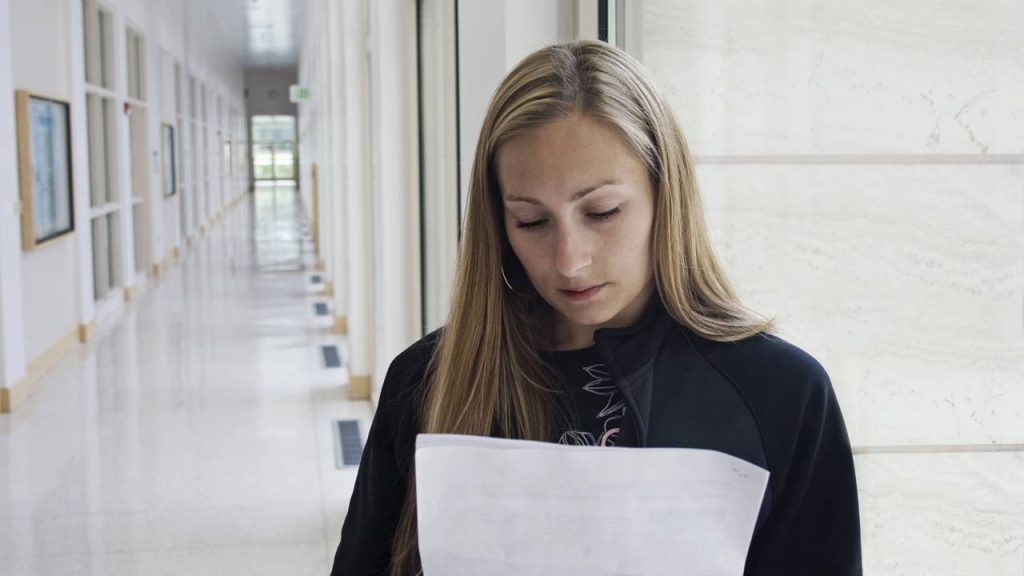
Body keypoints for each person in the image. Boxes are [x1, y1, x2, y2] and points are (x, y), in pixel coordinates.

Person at [331, 40, 861, 576]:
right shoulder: (427, 380)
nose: (569, 261)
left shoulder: (783, 393)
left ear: (666, 195)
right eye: (531, 221)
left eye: (602, 212)